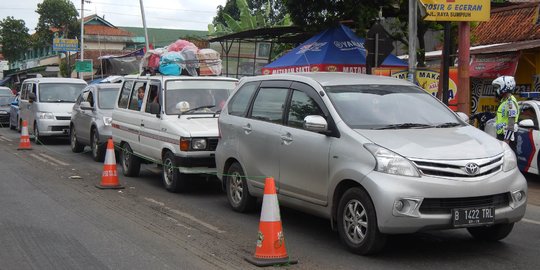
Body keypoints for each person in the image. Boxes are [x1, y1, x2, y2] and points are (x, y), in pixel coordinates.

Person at [492, 76, 520, 147]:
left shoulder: (510, 102)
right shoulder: (504, 100)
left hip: (507, 137)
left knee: (509, 157)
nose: (496, 90)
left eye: (497, 87)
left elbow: (511, 122)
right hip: (502, 134)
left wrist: (506, 140)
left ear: (505, 86)